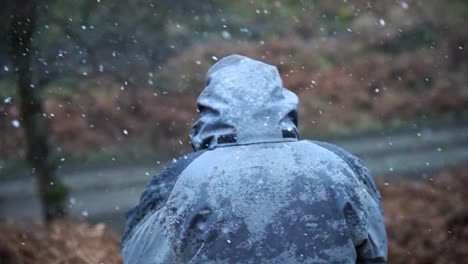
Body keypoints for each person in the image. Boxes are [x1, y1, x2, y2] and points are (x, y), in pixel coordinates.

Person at [121, 55, 387, 263]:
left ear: (211, 109)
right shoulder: (337, 164)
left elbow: (138, 254)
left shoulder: (181, 178)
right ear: (282, 103)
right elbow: (374, 251)